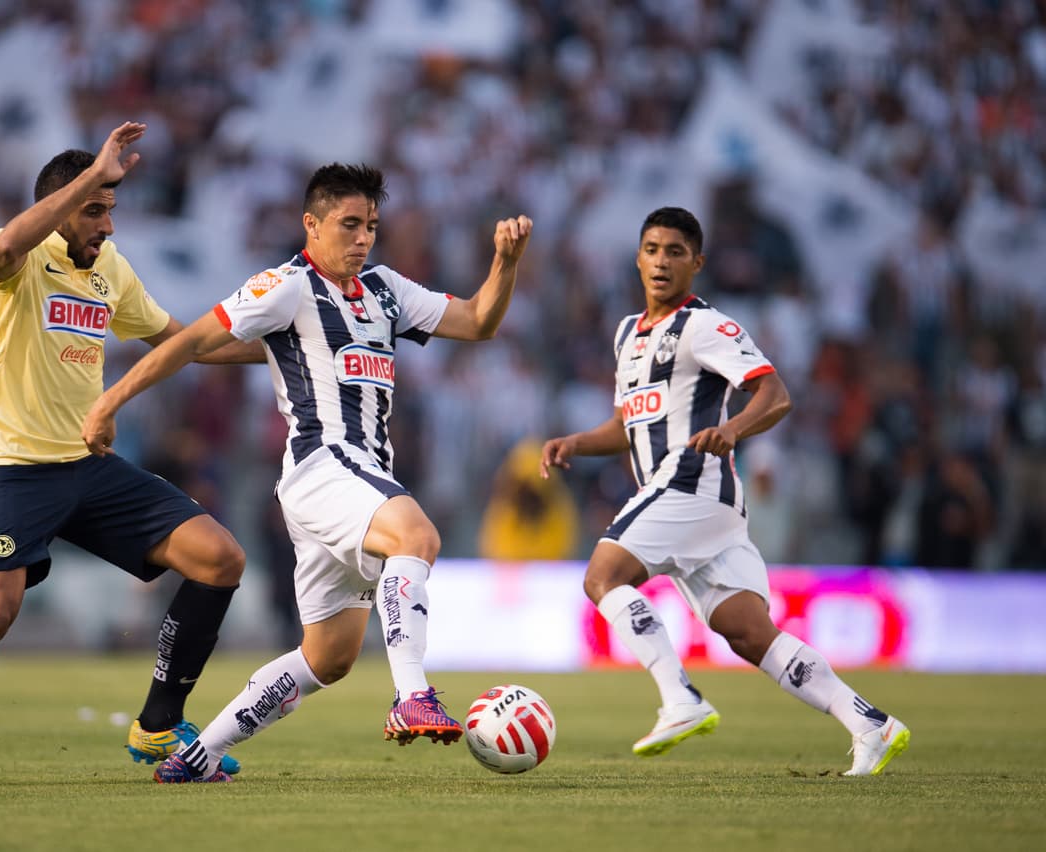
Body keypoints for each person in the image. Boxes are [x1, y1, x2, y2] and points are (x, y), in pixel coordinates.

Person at [81, 163, 533, 783]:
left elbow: (480, 320)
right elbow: (191, 344)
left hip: (354, 478)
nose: (362, 238)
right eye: (348, 224)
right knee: (418, 538)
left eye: (371, 226)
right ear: (311, 225)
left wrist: (504, 262)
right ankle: (412, 697)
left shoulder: (386, 289)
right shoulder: (285, 286)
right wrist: (108, 402)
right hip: (324, 466)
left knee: (329, 657)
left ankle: (197, 756)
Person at [0, 122, 258, 790]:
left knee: (219, 558)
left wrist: (286, 346)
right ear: (63, 206)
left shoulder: (111, 273)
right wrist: (91, 177)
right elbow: (8, 243)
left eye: (111, 211)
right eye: (95, 210)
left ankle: (158, 723)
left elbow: (183, 342)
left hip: (85, 463)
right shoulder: (15, 258)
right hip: (13, 464)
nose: (108, 227)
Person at [539, 207, 910, 777]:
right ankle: (870, 723)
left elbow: (775, 394)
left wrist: (732, 429)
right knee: (748, 632)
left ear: (697, 263)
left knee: (602, 576)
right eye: (653, 249)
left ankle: (679, 698)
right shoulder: (626, 335)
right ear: (638, 257)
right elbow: (624, 428)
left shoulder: (706, 326)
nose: (662, 261)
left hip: (689, 483)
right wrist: (575, 442)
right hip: (700, 507)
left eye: (676, 252)